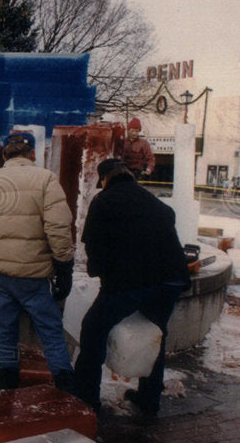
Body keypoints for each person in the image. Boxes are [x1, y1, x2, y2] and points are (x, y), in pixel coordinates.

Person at [73, 158, 190, 419]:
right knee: (157, 334)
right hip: (169, 280)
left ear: (105, 180)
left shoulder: (103, 201)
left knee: (93, 329)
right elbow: (169, 229)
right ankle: (149, 400)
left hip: (129, 283)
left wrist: (102, 276)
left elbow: (93, 245)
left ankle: (87, 398)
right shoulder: (153, 200)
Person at [0, 130, 77, 392]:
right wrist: (64, 268)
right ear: (33, 153)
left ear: (4, 154)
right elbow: (58, 228)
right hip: (34, 275)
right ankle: (66, 391)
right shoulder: (46, 179)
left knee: (5, 335)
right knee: (51, 334)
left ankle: (6, 391)